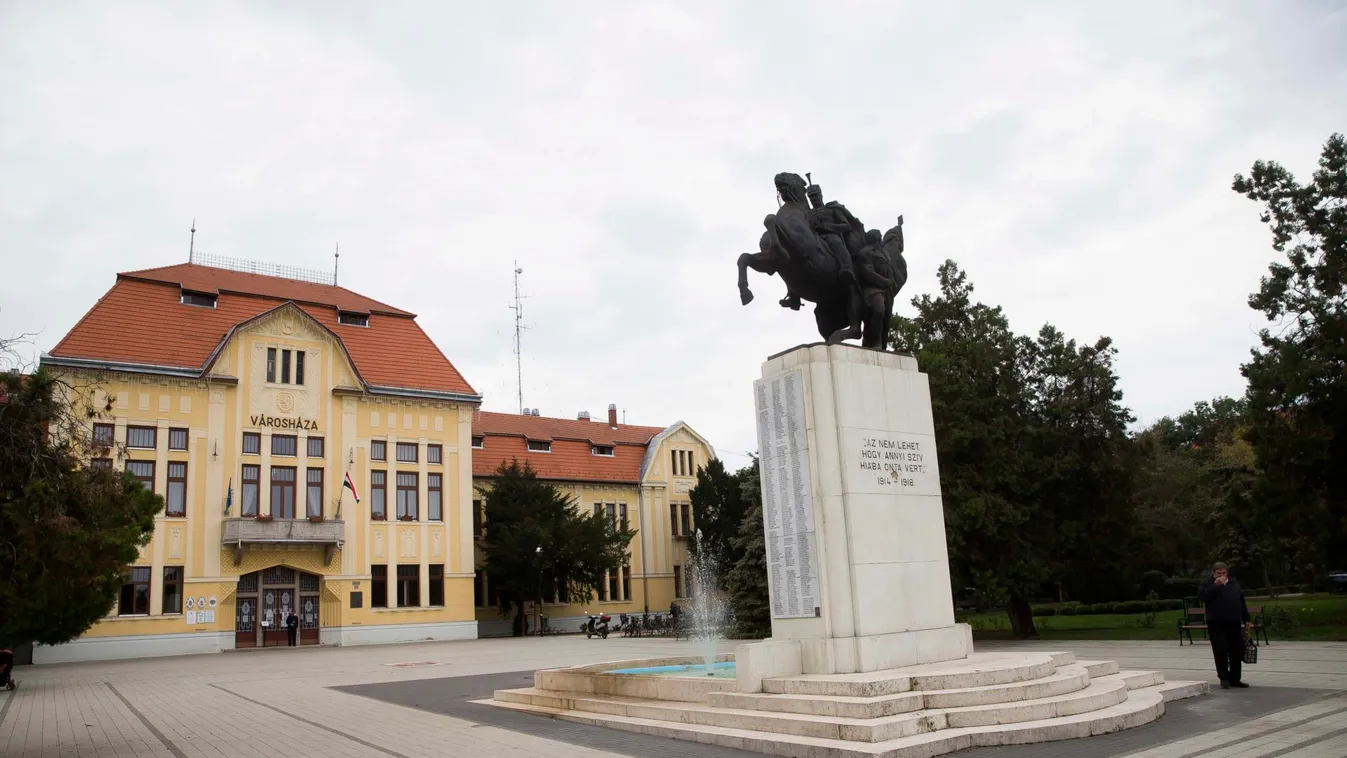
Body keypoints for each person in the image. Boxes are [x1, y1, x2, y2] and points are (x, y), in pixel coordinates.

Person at [1197, 562, 1253, 688]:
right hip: (1216, 623)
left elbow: (1241, 600)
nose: (1222, 575)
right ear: (1213, 573)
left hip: (1234, 622)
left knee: (1236, 650)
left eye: (1224, 573)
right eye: (1219, 573)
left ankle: (1235, 679)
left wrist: (1246, 618)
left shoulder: (1233, 582)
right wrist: (1215, 585)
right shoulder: (1207, 583)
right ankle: (1224, 677)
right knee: (1221, 650)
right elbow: (1202, 596)